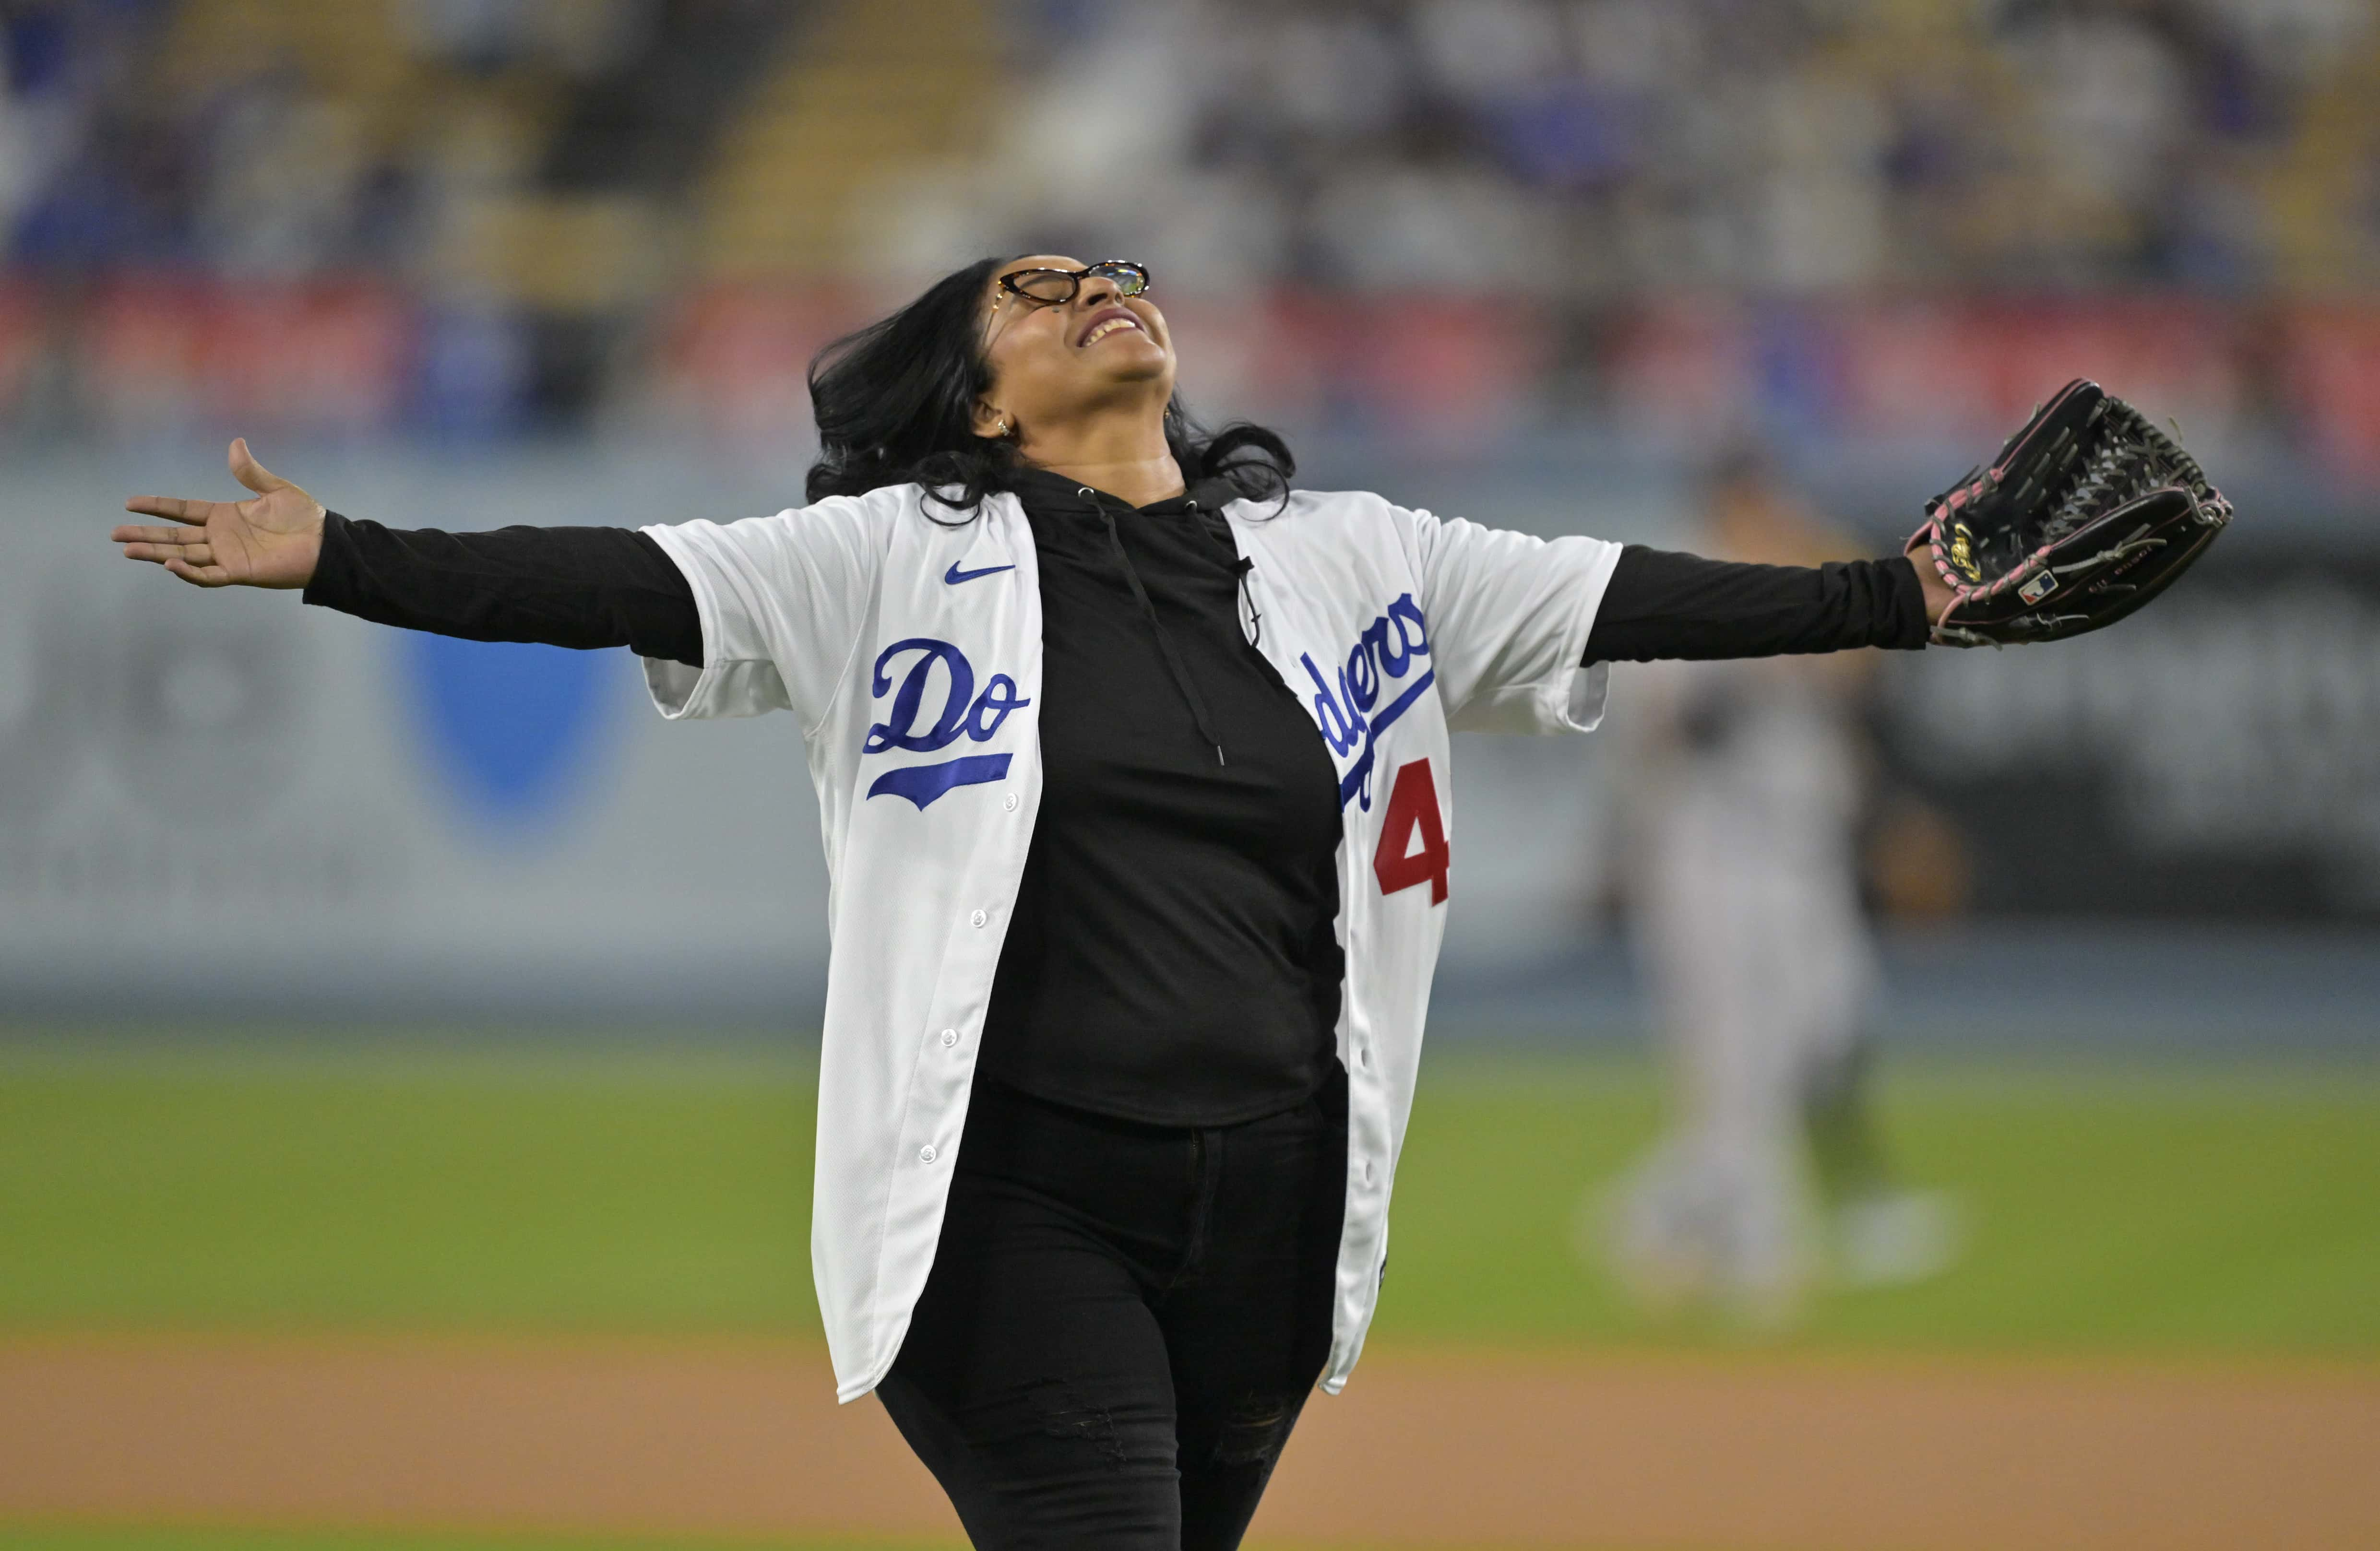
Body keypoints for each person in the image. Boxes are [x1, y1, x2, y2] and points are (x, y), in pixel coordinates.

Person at [112, 255, 1956, 1550]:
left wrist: (1905, 596)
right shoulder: (890, 560)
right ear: (977, 395)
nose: (1099, 291)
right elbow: (617, 576)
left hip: (1274, 1214)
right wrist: (339, 554)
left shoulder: (1359, 555)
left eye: (1116, 272)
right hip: (1016, 1203)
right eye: (1037, 289)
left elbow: (1633, 592)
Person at [1599, 450, 1960, 1329]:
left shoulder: (1806, 569)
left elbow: (1863, 682)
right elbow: (1676, 726)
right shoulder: (1679, 577)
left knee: (1825, 1021)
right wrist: (1761, 645)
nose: (1761, 509)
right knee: (1730, 1058)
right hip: (1708, 856)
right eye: (1745, 497)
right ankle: (1761, 1250)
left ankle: (1661, 1212)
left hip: (1804, 855)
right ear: (1720, 501)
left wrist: (1810, 610)